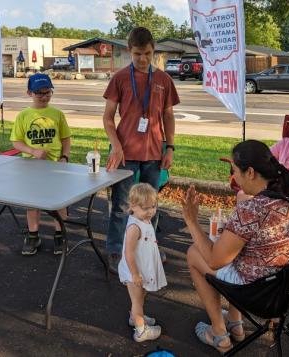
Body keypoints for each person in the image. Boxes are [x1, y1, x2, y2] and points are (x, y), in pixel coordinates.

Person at [182, 140, 289, 354]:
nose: (233, 176)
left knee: (194, 253)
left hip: (264, 295)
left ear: (250, 172)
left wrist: (191, 220)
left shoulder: (253, 208)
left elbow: (214, 260)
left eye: (234, 170)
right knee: (239, 254)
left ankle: (219, 334)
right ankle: (235, 324)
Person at [103, 26, 180, 272]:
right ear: (129, 51)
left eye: (147, 53)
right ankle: (116, 250)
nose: (143, 59)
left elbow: (168, 116)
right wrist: (116, 146)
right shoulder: (120, 78)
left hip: (155, 155)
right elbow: (107, 118)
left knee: (150, 206)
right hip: (126, 154)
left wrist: (170, 148)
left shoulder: (163, 80)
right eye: (137, 54)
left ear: (154, 51)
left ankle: (148, 246)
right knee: (122, 206)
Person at [10, 73, 71, 256]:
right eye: (39, 93)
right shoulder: (24, 115)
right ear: (30, 93)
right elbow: (16, 142)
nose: (44, 97)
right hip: (32, 167)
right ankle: (33, 234)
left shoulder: (57, 114)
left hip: (55, 166)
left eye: (48, 93)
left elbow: (66, 138)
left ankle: (61, 234)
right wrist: (33, 151)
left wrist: (65, 157)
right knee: (32, 203)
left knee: (59, 201)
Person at [118, 183, 167, 342]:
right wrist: (134, 274)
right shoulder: (134, 227)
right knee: (137, 300)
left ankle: (135, 317)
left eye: (153, 206)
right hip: (134, 271)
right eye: (146, 208)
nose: (150, 211)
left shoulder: (144, 220)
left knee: (141, 295)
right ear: (133, 206)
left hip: (142, 269)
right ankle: (141, 331)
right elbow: (128, 253)